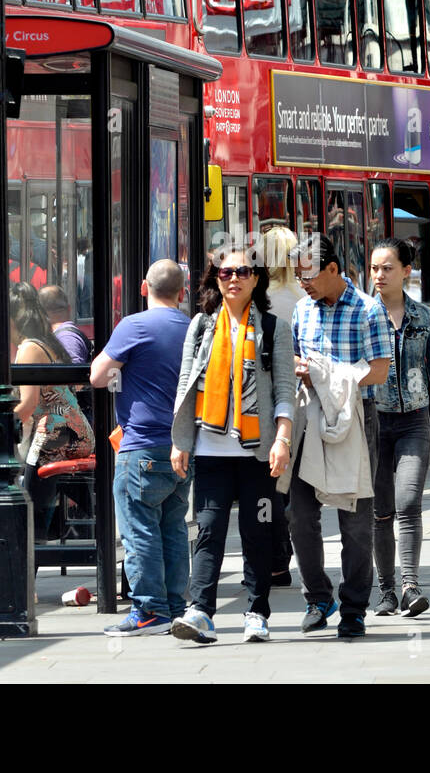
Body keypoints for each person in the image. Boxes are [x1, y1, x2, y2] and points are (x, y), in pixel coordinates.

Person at [168, 248, 294, 644]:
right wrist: (180, 441)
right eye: (225, 272)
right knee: (207, 531)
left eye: (242, 271)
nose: (233, 278)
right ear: (216, 278)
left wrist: (283, 439)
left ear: (256, 278)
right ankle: (201, 612)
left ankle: (256, 612)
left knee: (257, 534)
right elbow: (185, 384)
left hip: (258, 453)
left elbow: (286, 391)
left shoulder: (274, 329)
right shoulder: (201, 326)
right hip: (209, 450)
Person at [289, 234, 392, 638]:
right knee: (298, 514)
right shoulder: (301, 310)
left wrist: (330, 377)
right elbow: (297, 358)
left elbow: (380, 370)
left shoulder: (368, 310)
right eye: (298, 276)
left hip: (355, 418)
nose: (304, 283)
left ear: (333, 269)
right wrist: (303, 369)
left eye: (310, 275)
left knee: (355, 519)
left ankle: (354, 607)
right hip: (307, 417)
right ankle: (317, 596)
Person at [89, 260, 191, 636]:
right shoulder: (193, 327)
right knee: (174, 528)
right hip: (182, 445)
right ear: (182, 292)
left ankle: (149, 611)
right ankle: (176, 606)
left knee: (140, 530)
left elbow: (97, 376)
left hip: (141, 446)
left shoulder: (133, 326)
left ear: (143, 287)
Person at [369, 238, 430, 618]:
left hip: (414, 422)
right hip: (373, 421)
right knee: (380, 509)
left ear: (407, 271)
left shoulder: (425, 318)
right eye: (374, 268)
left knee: (408, 502)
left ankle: (410, 586)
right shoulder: (362, 315)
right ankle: (386, 591)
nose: (379, 275)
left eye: (387, 267)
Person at [11, 284, 90, 549]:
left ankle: (25, 579)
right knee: (36, 505)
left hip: (54, 435)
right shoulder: (46, 340)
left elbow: (28, 404)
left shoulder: (29, 348)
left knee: (30, 509)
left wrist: (1, 422)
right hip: (68, 432)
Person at [262, 224, 307, 587]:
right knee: (291, 485)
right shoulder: (302, 298)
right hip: (301, 401)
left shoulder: (261, 301)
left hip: (266, 401)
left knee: (270, 483)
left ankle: (276, 557)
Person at [38, 284, 91, 364]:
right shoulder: (64, 335)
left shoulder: (66, 337)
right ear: (69, 308)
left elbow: (72, 372)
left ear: (41, 313)